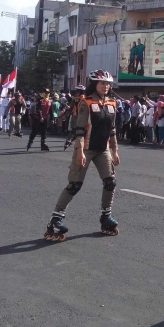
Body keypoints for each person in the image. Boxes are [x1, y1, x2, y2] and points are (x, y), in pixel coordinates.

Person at [44, 70, 121, 240]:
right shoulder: (86, 102)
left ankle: (105, 217)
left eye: (108, 83)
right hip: (85, 148)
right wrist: (79, 152)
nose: (106, 86)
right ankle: (55, 221)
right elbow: (79, 130)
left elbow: (112, 129)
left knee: (110, 182)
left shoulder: (112, 103)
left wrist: (115, 150)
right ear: (94, 84)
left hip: (103, 149)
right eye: (102, 83)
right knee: (74, 185)